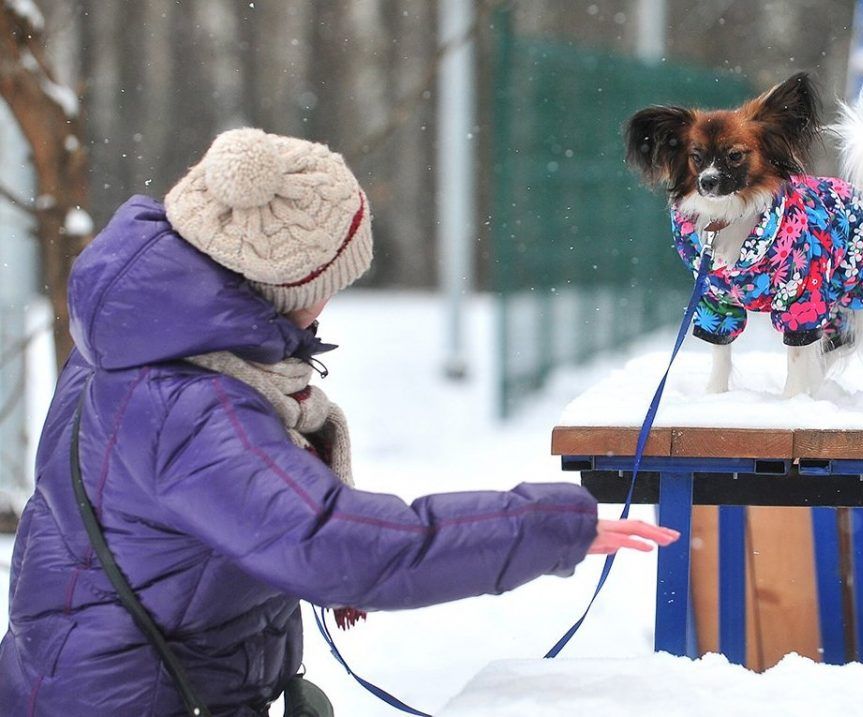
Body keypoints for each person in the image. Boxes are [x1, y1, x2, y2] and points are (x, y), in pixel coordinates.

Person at [0, 128, 678, 716]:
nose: (328, 305)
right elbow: (330, 543)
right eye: (330, 283)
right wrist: (542, 526)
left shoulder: (132, 340)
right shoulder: (193, 405)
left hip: (88, 677)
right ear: (287, 286)